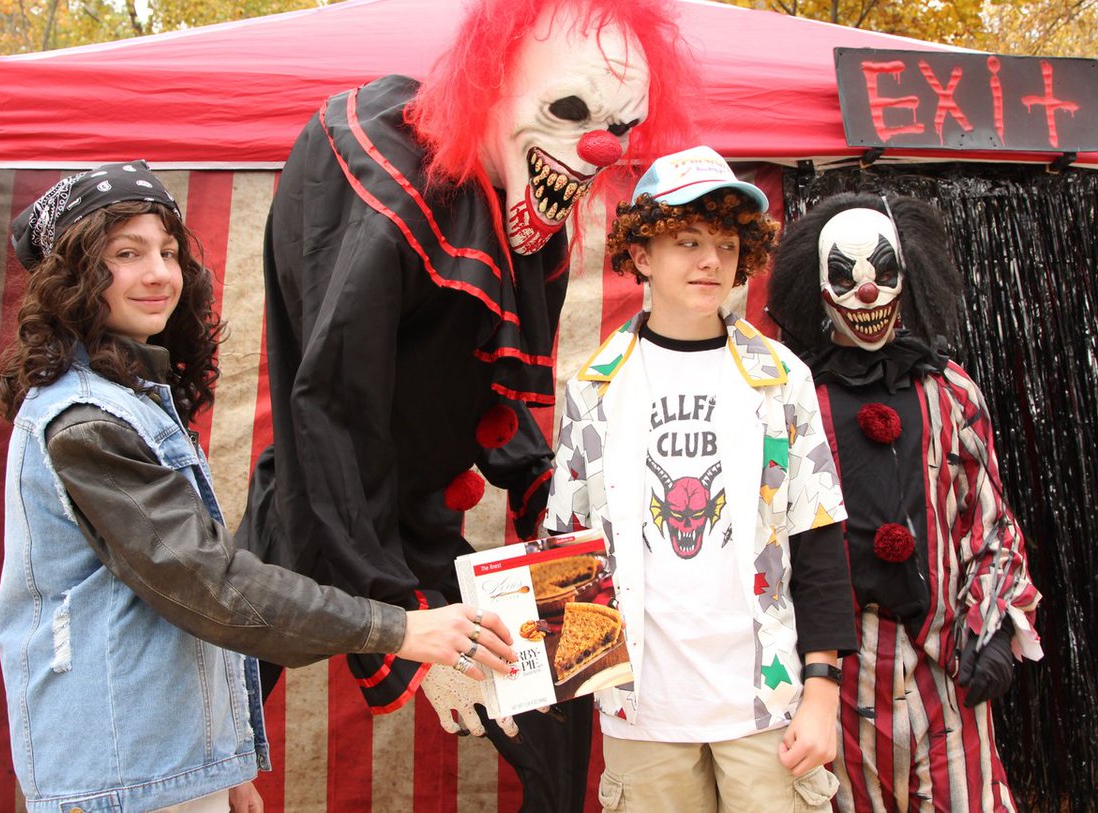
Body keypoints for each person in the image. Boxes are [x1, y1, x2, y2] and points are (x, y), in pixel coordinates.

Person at [235, 0, 699, 807]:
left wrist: (537, 489)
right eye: (571, 111)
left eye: (622, 128)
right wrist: (405, 617)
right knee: (229, 672)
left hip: (422, 505)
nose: (600, 148)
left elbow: (491, 380)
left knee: (570, 662)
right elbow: (335, 405)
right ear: (492, 92)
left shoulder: (533, 212)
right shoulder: (391, 186)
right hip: (331, 498)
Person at [0, 161, 515, 813]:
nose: (158, 273)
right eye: (125, 254)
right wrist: (400, 628)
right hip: (120, 780)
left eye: (166, 250)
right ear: (68, 277)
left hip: (167, 767)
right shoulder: (87, 423)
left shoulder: (132, 400)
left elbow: (168, 609)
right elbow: (209, 586)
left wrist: (224, 760)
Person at [544, 146, 858, 812]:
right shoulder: (595, 387)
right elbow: (567, 554)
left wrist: (824, 687)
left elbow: (818, 537)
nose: (711, 260)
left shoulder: (780, 379)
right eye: (687, 240)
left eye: (724, 242)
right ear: (641, 255)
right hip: (643, 712)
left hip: (767, 706)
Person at [766, 193, 1043, 812]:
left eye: (881, 274)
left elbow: (990, 526)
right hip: (831, 679)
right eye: (846, 277)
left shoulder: (953, 392)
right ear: (820, 286)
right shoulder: (788, 401)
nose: (866, 293)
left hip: (944, 666)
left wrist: (994, 626)